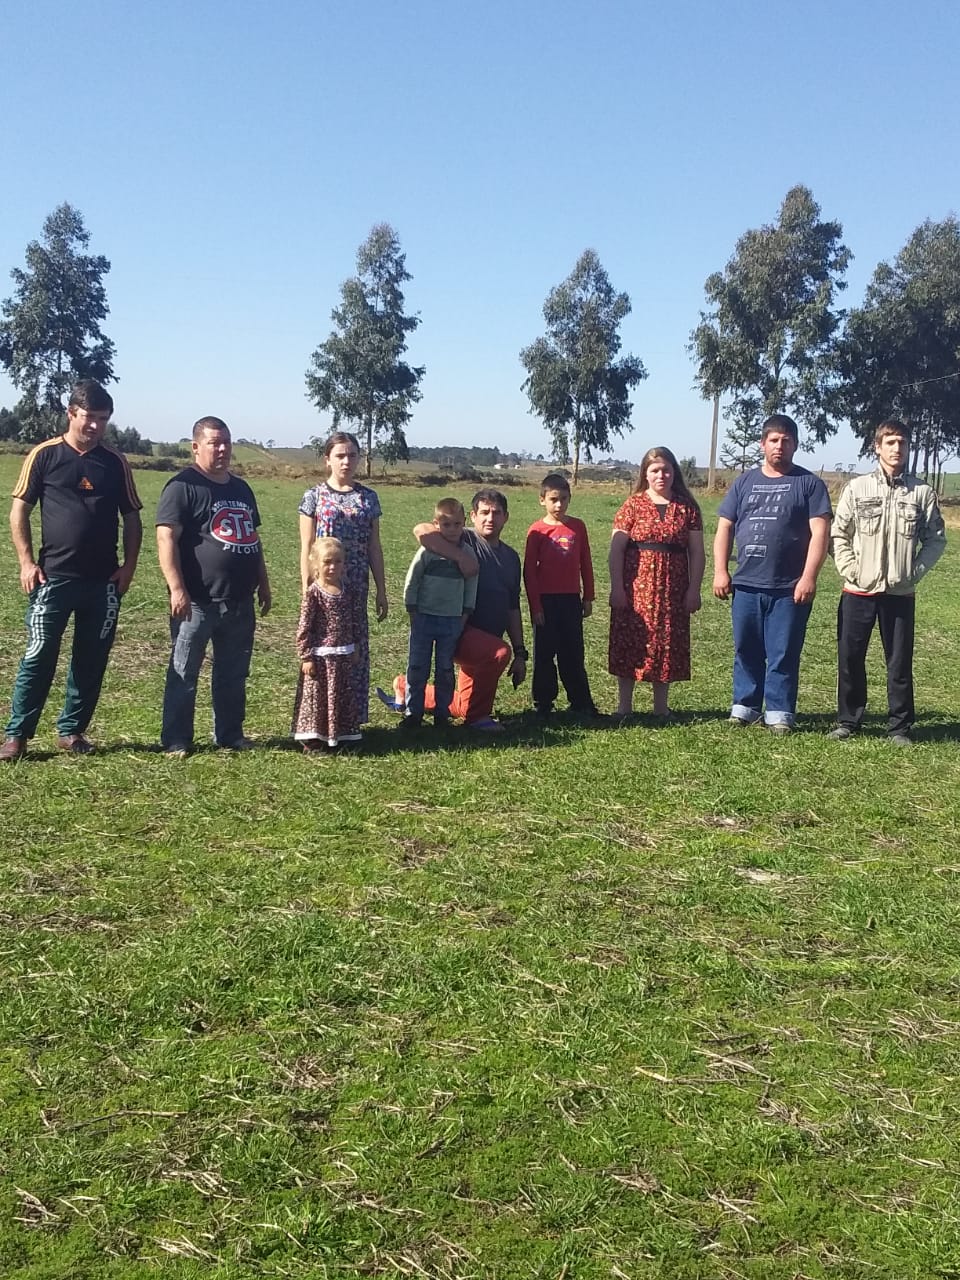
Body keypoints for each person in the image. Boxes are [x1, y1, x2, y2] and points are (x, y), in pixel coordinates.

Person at [1, 380, 143, 761]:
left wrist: (128, 566)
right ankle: (17, 735)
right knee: (39, 653)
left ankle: (72, 730)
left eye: (103, 419)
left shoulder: (115, 462)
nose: (95, 425)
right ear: (71, 413)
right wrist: (26, 561)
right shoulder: (44, 455)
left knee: (91, 657)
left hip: (103, 582)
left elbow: (132, 518)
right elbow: (19, 510)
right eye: (89, 417)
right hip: (53, 578)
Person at [156, 416, 271, 755]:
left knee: (233, 674)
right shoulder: (182, 487)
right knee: (184, 672)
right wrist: (177, 589)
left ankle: (230, 734)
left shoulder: (241, 488)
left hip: (239, 601)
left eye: (226, 443)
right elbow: (166, 539)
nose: (222, 450)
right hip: (197, 601)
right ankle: (177, 739)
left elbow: (253, 538)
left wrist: (263, 583)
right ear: (195, 447)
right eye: (214, 443)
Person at [829, 420, 946, 746]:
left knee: (899, 662)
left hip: (899, 592)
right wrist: (849, 568)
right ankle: (848, 721)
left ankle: (899, 727)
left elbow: (936, 540)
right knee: (850, 657)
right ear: (877, 447)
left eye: (902, 443)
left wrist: (914, 571)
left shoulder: (921, 493)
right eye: (890, 442)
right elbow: (839, 533)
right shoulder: (857, 488)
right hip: (858, 590)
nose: (897, 449)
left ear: (908, 449)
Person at [713, 414, 832, 734]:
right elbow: (725, 527)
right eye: (774, 440)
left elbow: (820, 533)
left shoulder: (810, 484)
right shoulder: (745, 482)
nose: (780, 445)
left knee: (783, 650)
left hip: (789, 587)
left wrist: (809, 577)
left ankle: (779, 711)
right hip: (747, 583)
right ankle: (746, 706)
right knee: (746, 647)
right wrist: (721, 571)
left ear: (795, 444)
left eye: (787, 440)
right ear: (763, 444)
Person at [383, 489, 527, 733]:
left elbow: (513, 607)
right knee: (499, 653)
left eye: (496, 513)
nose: (490, 518)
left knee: (461, 703)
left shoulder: (511, 557)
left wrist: (521, 652)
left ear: (506, 517)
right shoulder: (462, 538)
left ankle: (405, 686)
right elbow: (421, 530)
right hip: (459, 631)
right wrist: (462, 557)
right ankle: (478, 718)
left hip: (486, 640)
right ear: (472, 516)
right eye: (484, 512)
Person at [608, 447, 704, 720]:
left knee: (667, 641)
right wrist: (616, 587)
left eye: (666, 469)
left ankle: (661, 708)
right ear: (645, 474)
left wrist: (694, 589)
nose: (661, 475)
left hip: (673, 589)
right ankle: (624, 707)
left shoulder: (687, 508)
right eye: (654, 470)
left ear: (674, 472)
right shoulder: (632, 505)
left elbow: (697, 552)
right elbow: (616, 550)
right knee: (629, 640)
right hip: (635, 587)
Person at [298, 432, 387, 726]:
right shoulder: (314, 497)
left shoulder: (368, 498)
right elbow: (307, 546)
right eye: (339, 455)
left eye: (351, 455)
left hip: (357, 587)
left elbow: (375, 546)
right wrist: (308, 589)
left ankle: (350, 719)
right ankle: (319, 721)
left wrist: (381, 590)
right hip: (324, 590)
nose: (346, 461)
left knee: (353, 650)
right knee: (323, 650)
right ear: (327, 460)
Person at [523, 472, 599, 719]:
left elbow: (585, 562)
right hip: (545, 601)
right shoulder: (536, 531)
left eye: (564, 499)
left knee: (573, 652)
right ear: (542, 500)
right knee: (544, 654)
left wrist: (588, 596)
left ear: (570, 499)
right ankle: (543, 703)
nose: (559, 505)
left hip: (570, 600)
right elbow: (529, 572)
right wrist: (535, 607)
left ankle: (581, 702)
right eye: (553, 499)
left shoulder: (578, 527)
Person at [401, 498, 478, 729]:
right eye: (446, 525)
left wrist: (465, 614)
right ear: (436, 525)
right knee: (417, 666)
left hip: (452, 620)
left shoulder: (467, 553)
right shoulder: (427, 552)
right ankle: (412, 712)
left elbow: (471, 586)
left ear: (464, 523)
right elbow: (412, 580)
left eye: (457, 524)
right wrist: (412, 609)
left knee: (445, 668)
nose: (452, 530)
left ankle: (441, 714)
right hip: (424, 617)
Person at [292, 537, 362, 752]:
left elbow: (355, 619)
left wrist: (356, 645)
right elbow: (304, 626)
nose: (333, 567)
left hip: (343, 653)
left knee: (341, 696)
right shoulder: (314, 593)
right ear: (316, 564)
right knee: (319, 698)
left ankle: (341, 735)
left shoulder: (348, 590)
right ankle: (315, 739)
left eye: (338, 562)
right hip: (321, 656)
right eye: (327, 562)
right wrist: (306, 656)